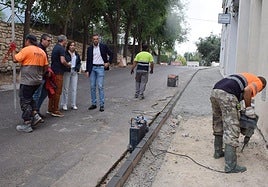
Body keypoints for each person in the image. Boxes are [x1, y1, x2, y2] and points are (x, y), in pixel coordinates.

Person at [210, 72, 266, 173]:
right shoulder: (259, 82)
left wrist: (239, 109)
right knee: (232, 129)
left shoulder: (246, 76)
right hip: (227, 94)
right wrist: (249, 109)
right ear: (262, 87)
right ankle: (230, 166)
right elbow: (247, 91)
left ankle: (218, 152)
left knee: (218, 123)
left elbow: (238, 97)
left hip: (215, 91)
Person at [11, 34, 49, 133]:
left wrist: (13, 50)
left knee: (24, 100)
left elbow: (15, 59)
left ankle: (27, 123)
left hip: (27, 81)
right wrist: (40, 75)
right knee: (30, 98)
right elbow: (46, 67)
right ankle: (35, 115)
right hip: (37, 81)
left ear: (28, 41)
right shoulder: (42, 52)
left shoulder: (26, 49)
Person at [86, 34, 113, 112]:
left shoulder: (103, 46)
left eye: (97, 39)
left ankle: (102, 104)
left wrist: (108, 62)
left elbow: (111, 54)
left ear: (99, 40)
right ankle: (94, 103)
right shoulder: (90, 49)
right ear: (92, 40)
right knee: (92, 86)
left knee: (100, 86)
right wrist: (87, 70)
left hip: (101, 67)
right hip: (92, 68)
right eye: (94, 39)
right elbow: (88, 60)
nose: (95, 40)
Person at [49, 35, 70, 117]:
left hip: (53, 71)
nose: (66, 42)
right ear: (63, 40)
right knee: (58, 91)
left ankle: (50, 108)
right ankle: (55, 110)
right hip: (58, 72)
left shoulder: (55, 47)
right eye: (66, 41)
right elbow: (62, 60)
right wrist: (68, 65)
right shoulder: (61, 49)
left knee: (52, 91)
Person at [32, 33, 52, 118]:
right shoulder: (39, 50)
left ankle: (36, 110)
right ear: (42, 40)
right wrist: (46, 71)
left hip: (43, 76)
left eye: (50, 41)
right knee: (37, 95)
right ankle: (34, 114)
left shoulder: (43, 49)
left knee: (43, 94)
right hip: (39, 76)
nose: (49, 43)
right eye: (48, 41)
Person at [61, 41, 81, 110]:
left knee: (74, 88)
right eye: (71, 45)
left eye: (73, 45)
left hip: (74, 71)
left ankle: (73, 104)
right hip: (67, 71)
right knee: (65, 88)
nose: (72, 46)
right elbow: (64, 61)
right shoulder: (65, 53)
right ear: (68, 46)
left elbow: (79, 62)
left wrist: (77, 69)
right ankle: (64, 104)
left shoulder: (77, 54)